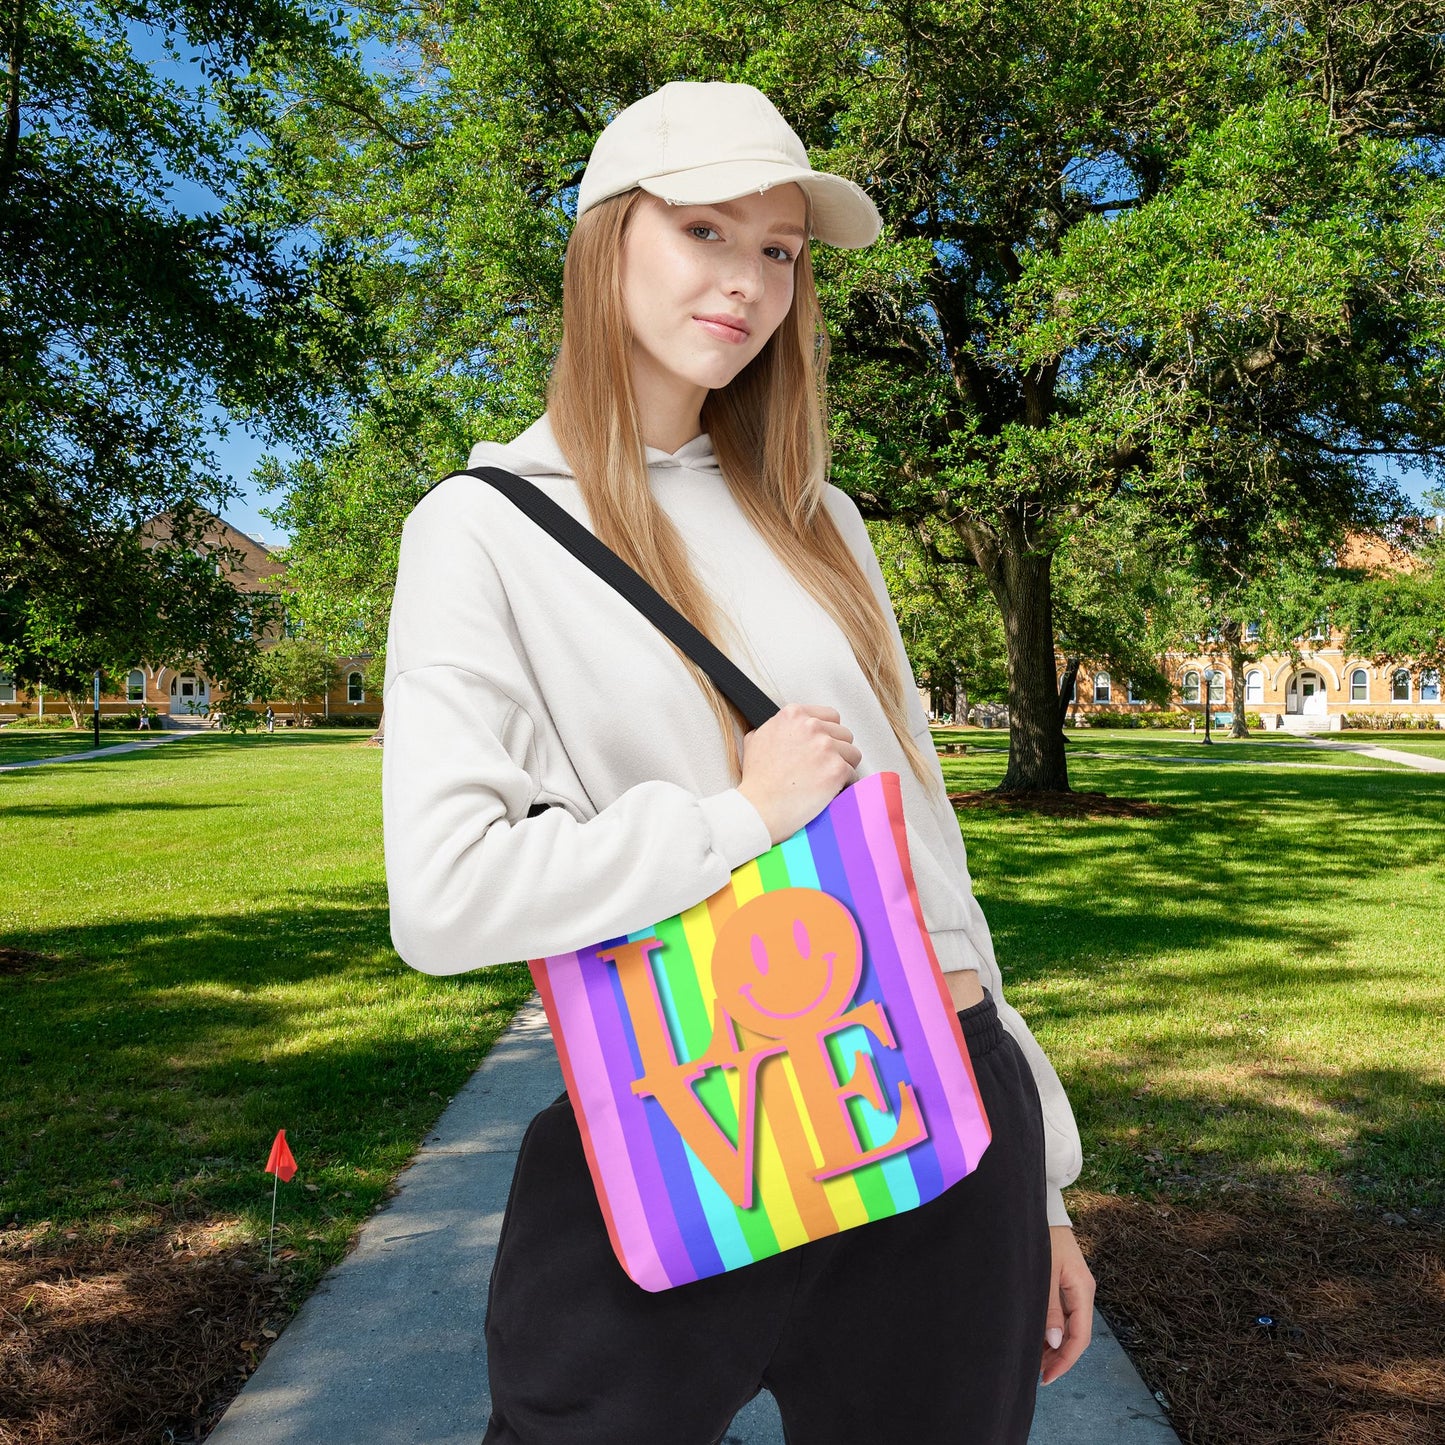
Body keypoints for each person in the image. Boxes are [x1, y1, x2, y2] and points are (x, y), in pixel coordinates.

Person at [383, 81, 1093, 1445]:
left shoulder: (818, 516)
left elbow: (924, 856)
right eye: (705, 228)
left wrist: (1044, 1186)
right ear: (607, 240)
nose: (747, 282)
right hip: (688, 1126)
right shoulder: (484, 528)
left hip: (938, 1112)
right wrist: (739, 815)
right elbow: (445, 895)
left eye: (777, 250)